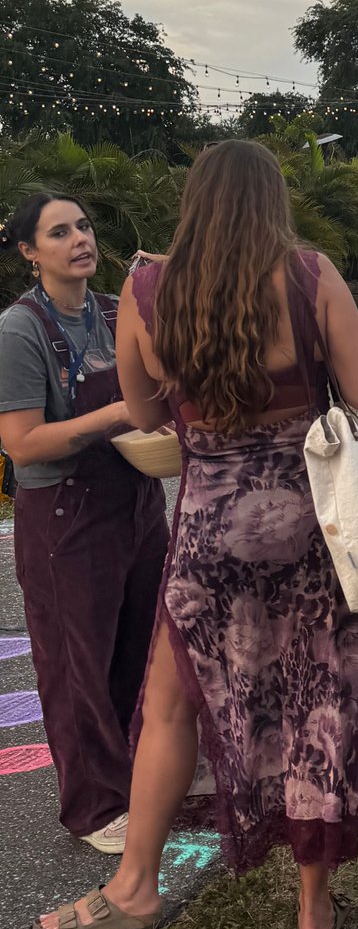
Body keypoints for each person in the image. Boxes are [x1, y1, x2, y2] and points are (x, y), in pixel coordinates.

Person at [32, 141, 358, 929]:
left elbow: (144, 413)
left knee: (169, 705)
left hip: (208, 535)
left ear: (193, 202)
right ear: (272, 202)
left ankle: (136, 884)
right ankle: (312, 906)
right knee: (318, 698)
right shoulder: (311, 275)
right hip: (312, 531)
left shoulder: (146, 289)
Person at [0, 195, 168, 855]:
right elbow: (22, 443)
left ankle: (140, 781)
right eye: (59, 232)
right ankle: (95, 805)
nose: (79, 239)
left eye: (84, 226)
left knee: (141, 650)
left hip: (136, 501)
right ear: (29, 252)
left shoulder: (116, 311)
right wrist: (119, 413)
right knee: (77, 668)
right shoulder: (20, 330)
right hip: (65, 516)